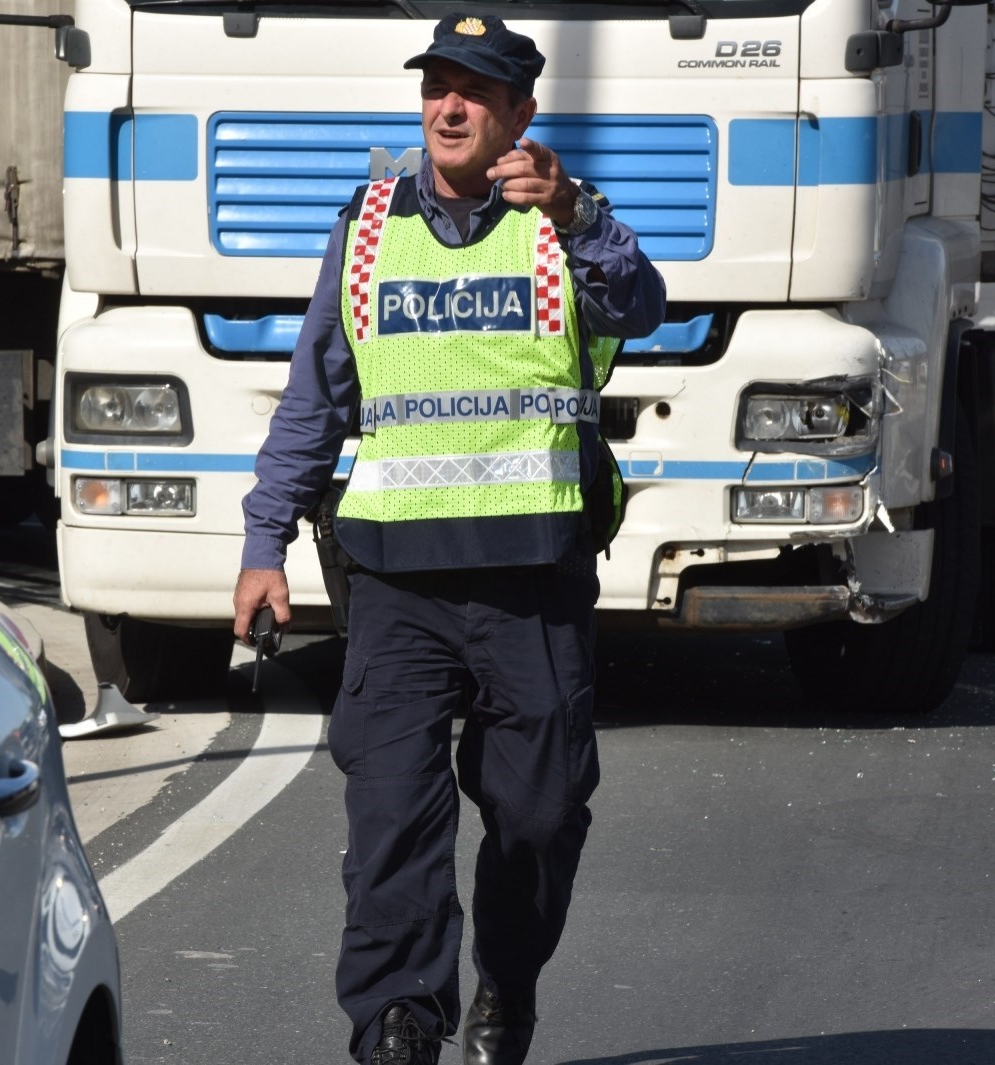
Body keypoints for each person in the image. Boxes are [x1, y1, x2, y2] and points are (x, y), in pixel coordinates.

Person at [233, 13, 666, 1065]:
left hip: (532, 584)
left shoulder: (565, 224)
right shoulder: (370, 228)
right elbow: (314, 398)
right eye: (437, 86)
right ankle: (398, 1024)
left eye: (476, 89)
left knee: (538, 813)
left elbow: (644, 306)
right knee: (390, 820)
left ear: (520, 111)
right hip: (396, 585)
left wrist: (572, 210)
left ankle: (505, 988)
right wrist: (263, 542)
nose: (450, 105)